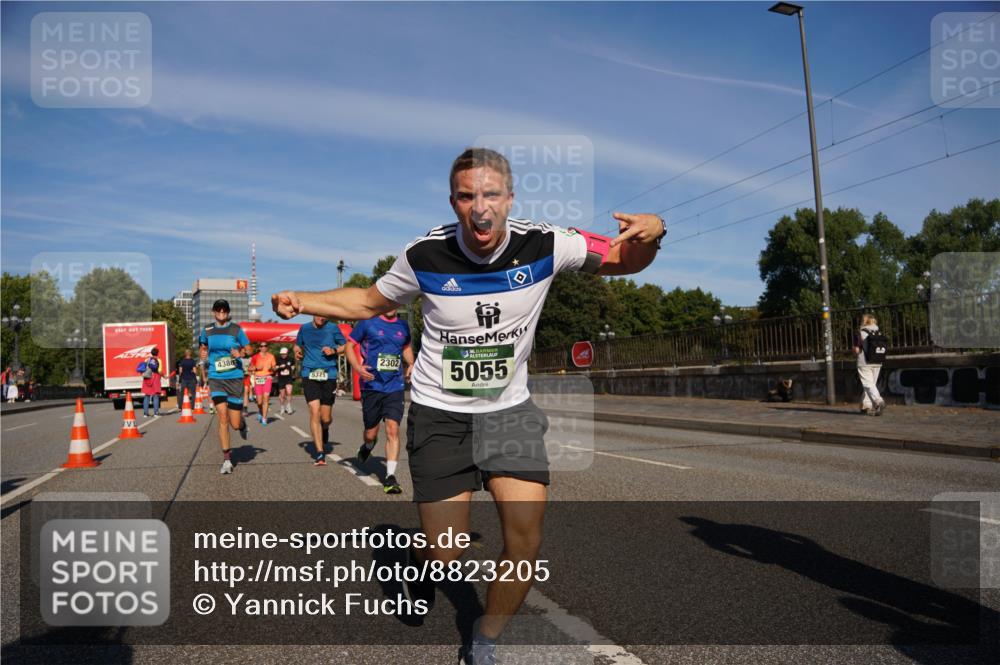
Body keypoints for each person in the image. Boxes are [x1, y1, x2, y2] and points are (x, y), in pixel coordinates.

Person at [272, 147, 665, 664]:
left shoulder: (548, 243)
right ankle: (419, 563)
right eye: (466, 196)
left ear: (510, 197)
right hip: (440, 414)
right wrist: (303, 298)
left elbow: (623, 260)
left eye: (491, 194)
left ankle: (485, 641)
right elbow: (369, 302)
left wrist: (655, 232)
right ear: (453, 200)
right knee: (445, 552)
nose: (480, 208)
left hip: (509, 412)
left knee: (524, 541)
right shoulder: (425, 256)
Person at [345, 308, 414, 494]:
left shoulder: (402, 325)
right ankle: (368, 445)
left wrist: (411, 363)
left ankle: (390, 477)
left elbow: (406, 346)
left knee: (393, 429)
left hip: (395, 386)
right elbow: (349, 345)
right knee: (370, 432)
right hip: (371, 385)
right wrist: (357, 367)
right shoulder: (368, 322)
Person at [199, 299, 253, 474]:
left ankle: (242, 424)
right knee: (222, 416)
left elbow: (250, 349)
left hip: (234, 378)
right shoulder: (207, 330)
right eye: (218, 310)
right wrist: (203, 352)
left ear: (228, 312)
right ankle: (227, 460)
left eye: (224, 310)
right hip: (216, 377)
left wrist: (241, 353)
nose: (221, 312)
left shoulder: (236, 329)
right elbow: (203, 347)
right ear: (213, 312)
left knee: (234, 424)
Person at [293, 316, 346, 466]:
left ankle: (325, 428)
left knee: (326, 418)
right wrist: (297, 351)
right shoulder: (305, 328)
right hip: (309, 373)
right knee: (314, 411)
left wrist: (334, 350)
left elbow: (346, 346)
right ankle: (320, 453)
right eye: (318, 314)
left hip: (328, 373)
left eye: (324, 315)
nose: (321, 317)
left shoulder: (333, 328)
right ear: (313, 314)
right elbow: (297, 345)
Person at [853, 313, 886, 416]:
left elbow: (857, 349)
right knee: (871, 385)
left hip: (864, 363)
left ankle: (878, 402)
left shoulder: (861, 333)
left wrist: (854, 352)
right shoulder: (878, 332)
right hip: (877, 361)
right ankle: (865, 405)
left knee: (868, 384)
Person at [249, 341, 278, 425]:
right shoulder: (255, 357)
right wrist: (256, 368)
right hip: (258, 378)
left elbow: (274, 368)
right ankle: (260, 411)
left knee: (266, 397)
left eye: (265, 346)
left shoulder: (271, 356)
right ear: (259, 348)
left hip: (267, 378)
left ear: (267, 347)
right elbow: (250, 369)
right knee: (259, 401)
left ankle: (264, 418)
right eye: (262, 346)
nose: (263, 347)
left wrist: (273, 368)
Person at [139, 347, 163, 417]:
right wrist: (164, 376)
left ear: (151, 353)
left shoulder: (147, 360)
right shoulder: (158, 360)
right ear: (157, 353)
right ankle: (156, 413)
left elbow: (144, 369)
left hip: (147, 378)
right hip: (155, 378)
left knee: (147, 395)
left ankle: (145, 413)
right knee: (155, 396)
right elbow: (159, 371)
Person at [175, 348, 199, 412]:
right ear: (190, 354)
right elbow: (195, 371)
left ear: (185, 354)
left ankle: (180, 407)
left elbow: (180, 371)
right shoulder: (193, 361)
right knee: (193, 393)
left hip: (184, 379)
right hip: (192, 379)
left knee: (182, 393)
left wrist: (181, 376)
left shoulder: (182, 361)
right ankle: (192, 407)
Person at [274, 347, 296, 415]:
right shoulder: (278, 359)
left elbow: (293, 367)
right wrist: (280, 367)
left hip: (288, 378)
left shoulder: (291, 359)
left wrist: (292, 369)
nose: (283, 355)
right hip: (281, 379)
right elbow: (275, 368)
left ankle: (288, 406)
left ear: (287, 353)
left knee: (289, 392)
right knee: (282, 395)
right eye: (282, 354)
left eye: (284, 354)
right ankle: (282, 406)